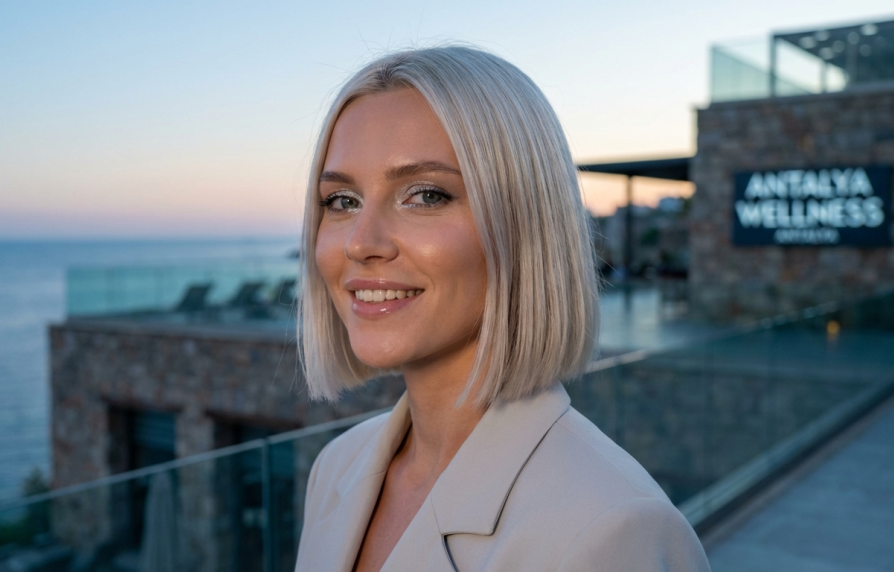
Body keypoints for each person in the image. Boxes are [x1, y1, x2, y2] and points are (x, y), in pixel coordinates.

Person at [294, 46, 710, 572]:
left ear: (524, 224)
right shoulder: (336, 469)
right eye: (342, 201)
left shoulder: (612, 530)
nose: (361, 242)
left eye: (424, 195)